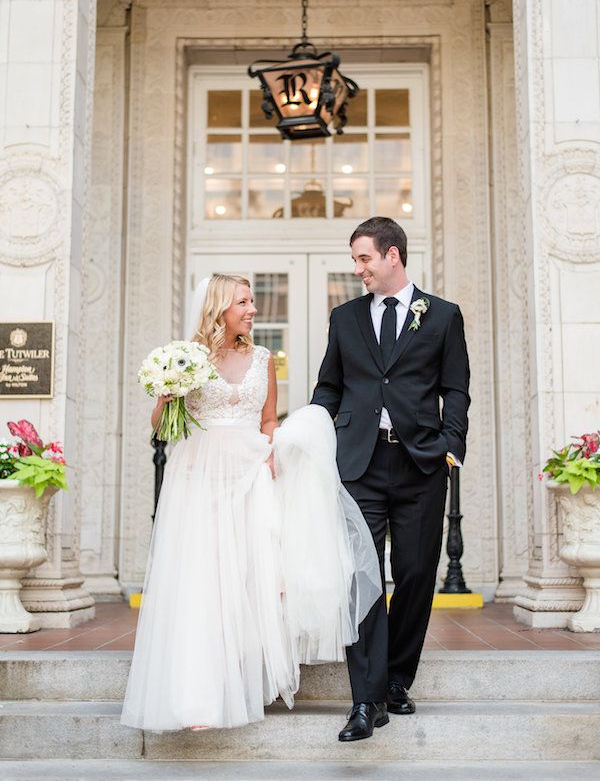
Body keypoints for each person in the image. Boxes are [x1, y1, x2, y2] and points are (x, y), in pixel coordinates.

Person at [121, 273, 380, 732]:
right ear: (220, 306)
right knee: (206, 580)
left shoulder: (263, 358)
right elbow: (162, 429)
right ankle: (198, 695)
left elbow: (267, 420)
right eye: (243, 301)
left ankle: (244, 682)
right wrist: (167, 394)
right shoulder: (190, 358)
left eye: (252, 301)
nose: (252, 309)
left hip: (252, 472)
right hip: (201, 476)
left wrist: (270, 458)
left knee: (251, 578)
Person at [311, 217, 470, 742]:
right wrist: (312, 438)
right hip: (358, 464)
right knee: (361, 578)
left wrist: (451, 446)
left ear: (393, 255)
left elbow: (457, 389)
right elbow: (329, 387)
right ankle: (366, 699)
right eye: (355, 260)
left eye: (363, 259)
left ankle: (398, 679)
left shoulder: (443, 316)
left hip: (421, 463)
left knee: (417, 574)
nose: (357, 269)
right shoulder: (345, 318)